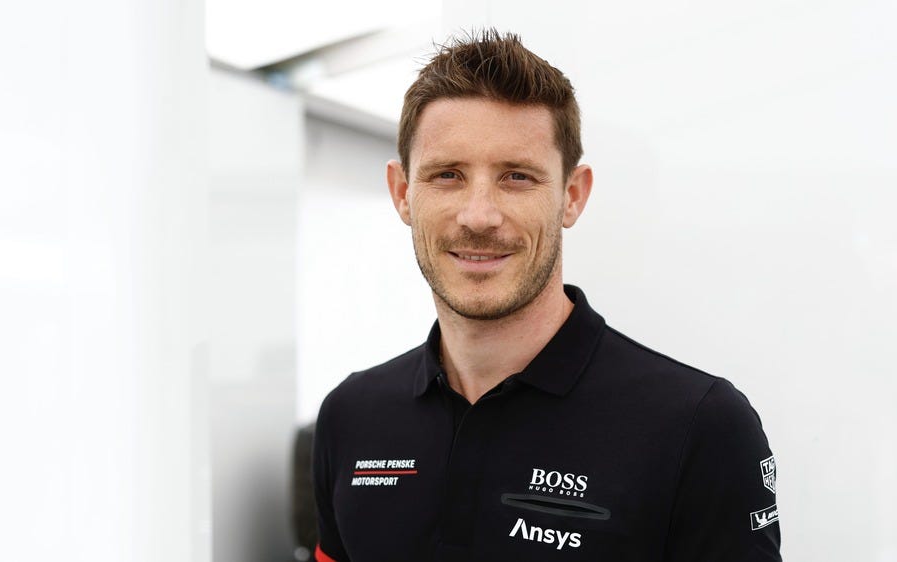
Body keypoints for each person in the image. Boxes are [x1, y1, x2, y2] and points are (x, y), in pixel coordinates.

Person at [312, 29, 781, 562]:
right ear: (402, 193)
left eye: (516, 177)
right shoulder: (350, 416)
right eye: (447, 175)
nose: (479, 216)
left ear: (572, 196)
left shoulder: (699, 426)